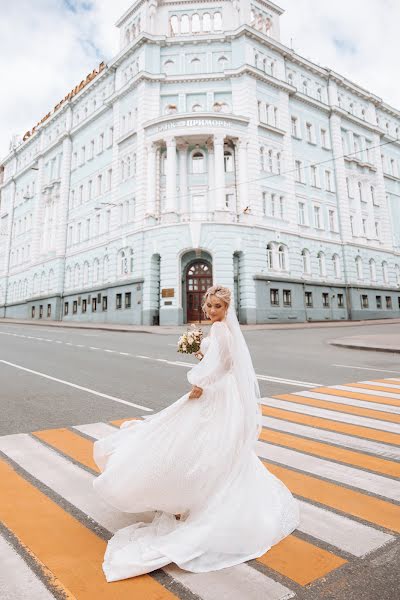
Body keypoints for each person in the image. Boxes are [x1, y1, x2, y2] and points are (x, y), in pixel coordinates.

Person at [92, 284, 300, 582]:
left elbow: (222, 365)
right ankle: (194, 497)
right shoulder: (222, 330)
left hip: (213, 393)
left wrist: (201, 381)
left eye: (217, 306)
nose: (212, 311)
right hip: (223, 394)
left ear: (228, 308)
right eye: (209, 306)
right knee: (215, 447)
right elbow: (223, 363)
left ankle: (190, 499)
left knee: (193, 442)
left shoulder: (221, 331)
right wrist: (201, 358)